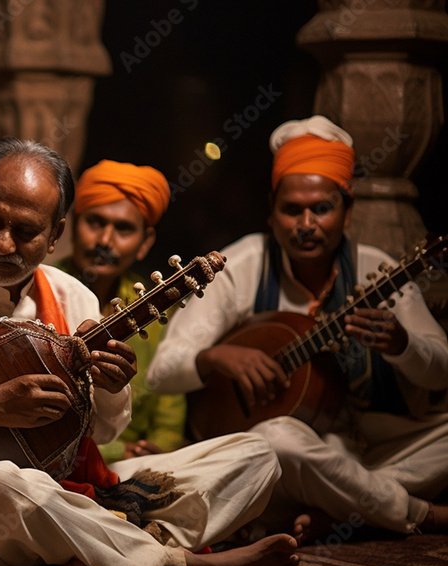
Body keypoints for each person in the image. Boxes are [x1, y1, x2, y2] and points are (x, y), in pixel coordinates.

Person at [0, 137, 302, 566]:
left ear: (57, 234)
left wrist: (113, 387)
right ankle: (173, 565)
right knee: (6, 481)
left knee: (256, 456)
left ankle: (86, 552)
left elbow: (103, 437)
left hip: (67, 492)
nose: (1, 243)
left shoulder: (73, 297)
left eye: (25, 231)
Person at [147, 115, 448, 538]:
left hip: (376, 451)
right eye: (292, 210)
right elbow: (161, 372)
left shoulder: (378, 271)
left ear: (348, 212)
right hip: (291, 455)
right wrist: (215, 356)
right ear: (271, 212)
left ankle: (345, 509)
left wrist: (401, 344)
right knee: (278, 439)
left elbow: (440, 371)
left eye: (322, 208)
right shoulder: (244, 265)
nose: (306, 224)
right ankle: (418, 514)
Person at [53, 159, 187, 462]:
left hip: (136, 464)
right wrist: (114, 452)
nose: (104, 241)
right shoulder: (40, 290)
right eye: (96, 222)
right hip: (55, 463)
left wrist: (158, 452)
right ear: (72, 227)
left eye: (124, 229)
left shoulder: (156, 311)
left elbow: (169, 416)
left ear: (145, 243)